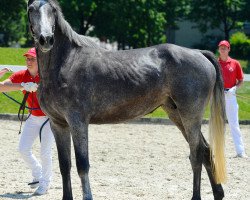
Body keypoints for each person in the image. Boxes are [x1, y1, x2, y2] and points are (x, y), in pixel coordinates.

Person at [0, 48, 54, 195]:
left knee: (45, 153)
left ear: (40, 61)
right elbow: (1, 87)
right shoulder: (22, 75)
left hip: (49, 118)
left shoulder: (47, 76)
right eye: (27, 59)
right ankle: (37, 173)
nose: (28, 61)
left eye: (32, 59)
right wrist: (23, 86)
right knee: (23, 149)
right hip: (33, 117)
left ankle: (45, 183)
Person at [218, 40, 247, 158]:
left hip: (231, 96)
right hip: (218, 97)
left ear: (229, 49)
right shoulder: (215, 63)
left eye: (225, 48)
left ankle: (240, 152)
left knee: (234, 124)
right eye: (221, 47)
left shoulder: (235, 63)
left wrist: (234, 89)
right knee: (218, 125)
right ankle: (217, 152)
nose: (223, 49)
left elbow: (240, 80)